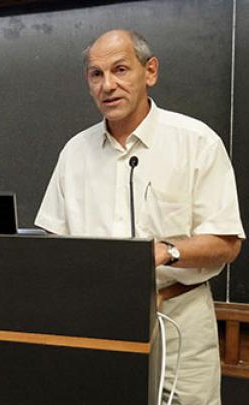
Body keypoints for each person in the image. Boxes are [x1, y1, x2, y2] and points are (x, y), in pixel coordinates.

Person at [35, 30, 244, 405]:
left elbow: (227, 243)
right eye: (96, 74)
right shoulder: (75, 152)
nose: (108, 85)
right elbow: (54, 241)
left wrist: (165, 252)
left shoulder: (196, 141)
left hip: (178, 315)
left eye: (120, 70)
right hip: (97, 320)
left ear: (150, 71)